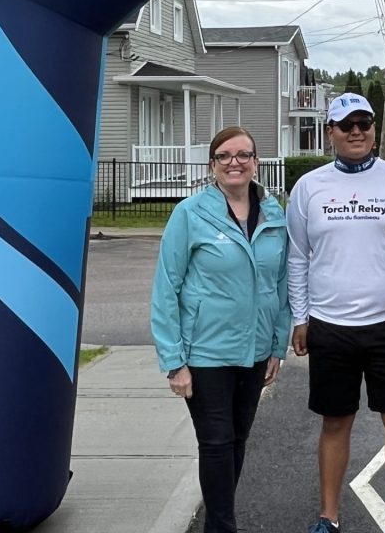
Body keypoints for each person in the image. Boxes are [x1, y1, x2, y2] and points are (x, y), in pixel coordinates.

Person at [287, 93, 385, 533]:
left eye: (364, 123)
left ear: (374, 129)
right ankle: (328, 517)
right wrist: (301, 317)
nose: (356, 131)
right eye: (346, 124)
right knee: (335, 422)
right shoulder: (310, 187)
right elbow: (297, 258)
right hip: (330, 325)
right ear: (330, 132)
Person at [151, 126, 290, 533]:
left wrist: (276, 346)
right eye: (225, 156)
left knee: (236, 441)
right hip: (205, 353)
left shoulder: (274, 213)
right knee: (215, 443)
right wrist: (174, 362)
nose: (235, 162)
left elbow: (280, 284)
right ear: (212, 165)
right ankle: (222, 527)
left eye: (243, 155)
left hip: (254, 350)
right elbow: (166, 289)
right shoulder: (190, 214)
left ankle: (218, 521)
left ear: (256, 162)